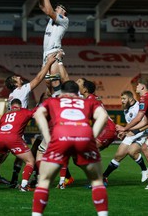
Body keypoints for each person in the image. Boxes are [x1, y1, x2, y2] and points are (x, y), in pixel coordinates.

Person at [32, 80, 109, 216]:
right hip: (84, 135)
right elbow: (103, 115)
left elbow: (38, 114)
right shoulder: (87, 102)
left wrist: (48, 138)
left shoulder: (54, 101)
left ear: (62, 92)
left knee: (44, 180)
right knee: (97, 180)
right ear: (77, 92)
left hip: (60, 135)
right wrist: (92, 136)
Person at [4, 53, 56, 187]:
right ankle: (30, 181)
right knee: (30, 158)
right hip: (16, 130)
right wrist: (49, 63)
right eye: (17, 77)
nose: (20, 77)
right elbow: (39, 78)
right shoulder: (20, 90)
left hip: (10, 128)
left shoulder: (11, 96)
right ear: (15, 83)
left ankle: (13, 180)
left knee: (11, 157)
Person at [0, 98, 36, 192]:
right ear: (20, 106)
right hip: (13, 138)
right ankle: (23, 186)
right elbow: (36, 113)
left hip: (0, 138)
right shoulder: (24, 111)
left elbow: (1, 127)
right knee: (30, 161)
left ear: (11, 106)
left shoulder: (4, 115)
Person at [102, 90, 148, 184]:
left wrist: (133, 131)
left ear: (131, 98)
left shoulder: (139, 107)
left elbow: (147, 123)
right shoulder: (126, 108)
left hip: (142, 134)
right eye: (121, 99)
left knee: (132, 152)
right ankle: (104, 177)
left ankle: (145, 170)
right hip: (132, 134)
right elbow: (130, 123)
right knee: (118, 155)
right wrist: (125, 132)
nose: (122, 101)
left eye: (124, 98)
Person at [39, 0, 69, 96]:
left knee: (54, 80)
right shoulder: (52, 19)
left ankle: (59, 100)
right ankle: (55, 97)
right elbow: (42, 7)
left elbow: (50, 12)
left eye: (58, 7)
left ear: (63, 11)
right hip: (45, 53)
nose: (56, 8)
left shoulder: (64, 20)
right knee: (47, 81)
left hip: (54, 51)